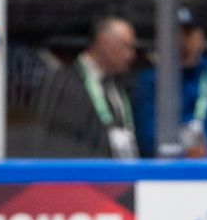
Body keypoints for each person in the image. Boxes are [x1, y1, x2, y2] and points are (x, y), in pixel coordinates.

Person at [131, 7, 207, 157]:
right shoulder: (150, 80)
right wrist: (182, 152)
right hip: (169, 167)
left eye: (189, 33)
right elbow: (146, 134)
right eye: (175, 33)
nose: (182, 39)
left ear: (201, 36)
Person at [29, 16, 139, 158]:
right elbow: (56, 139)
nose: (131, 55)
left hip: (118, 173)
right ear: (104, 42)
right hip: (78, 173)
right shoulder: (62, 82)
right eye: (126, 46)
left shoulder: (119, 83)